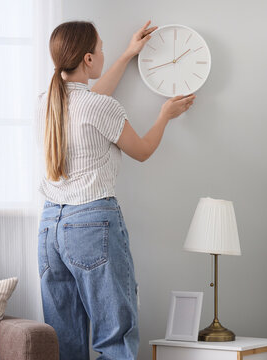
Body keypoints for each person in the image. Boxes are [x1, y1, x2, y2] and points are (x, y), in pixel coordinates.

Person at [34, 20, 195, 360]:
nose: (105, 54)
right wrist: (165, 114)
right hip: (92, 222)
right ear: (89, 59)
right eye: (103, 49)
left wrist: (126, 55)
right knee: (115, 336)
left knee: (65, 340)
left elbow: (91, 101)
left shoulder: (45, 104)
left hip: (50, 226)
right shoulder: (99, 107)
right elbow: (142, 151)